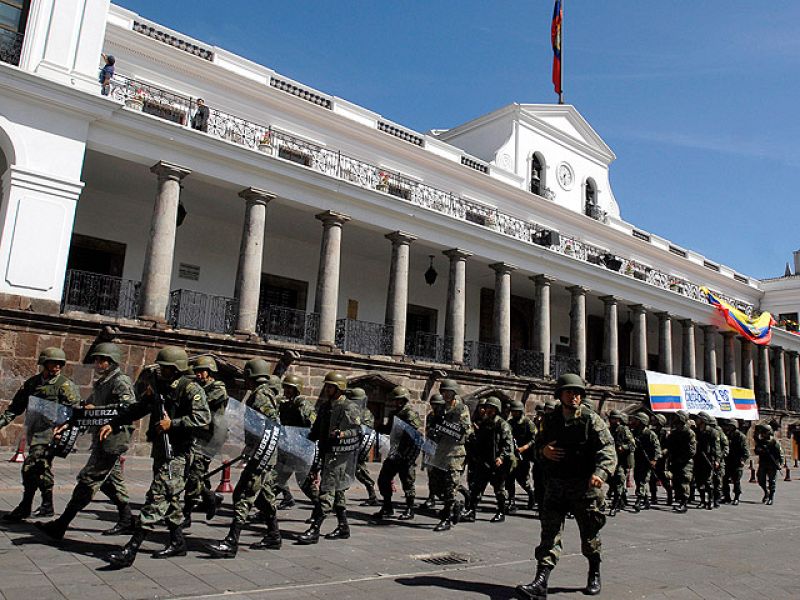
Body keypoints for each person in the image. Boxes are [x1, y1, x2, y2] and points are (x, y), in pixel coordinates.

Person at [101, 346, 210, 568]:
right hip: (162, 450)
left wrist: (174, 424)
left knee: (156, 497)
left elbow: (203, 420)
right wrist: (114, 422)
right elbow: (139, 408)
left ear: (176, 369)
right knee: (171, 500)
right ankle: (178, 542)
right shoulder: (159, 387)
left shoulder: (190, 389)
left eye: (166, 368)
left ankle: (131, 549)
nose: (161, 371)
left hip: (178, 453)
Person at [516, 374, 615, 600]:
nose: (574, 396)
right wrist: (543, 452)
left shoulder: (592, 420)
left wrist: (600, 473)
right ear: (560, 395)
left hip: (585, 487)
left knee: (589, 536)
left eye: (578, 392)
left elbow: (608, 449)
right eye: (569, 392)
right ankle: (541, 582)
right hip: (556, 485)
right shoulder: (550, 421)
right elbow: (537, 446)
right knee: (549, 535)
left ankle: (594, 572)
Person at [36, 343, 135, 540]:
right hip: (102, 438)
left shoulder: (120, 380)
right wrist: (70, 422)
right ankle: (127, 519)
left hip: (113, 439)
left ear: (111, 361)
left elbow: (128, 406)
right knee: (109, 483)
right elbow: (87, 408)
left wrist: (97, 410)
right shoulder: (103, 382)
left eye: (101, 360)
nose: (97, 363)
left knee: (88, 481)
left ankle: (61, 524)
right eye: (97, 360)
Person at [206, 359, 281, 557]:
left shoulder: (261, 396)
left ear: (251, 376)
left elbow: (270, 426)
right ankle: (274, 535)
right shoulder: (262, 393)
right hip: (262, 453)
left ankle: (232, 542)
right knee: (263, 498)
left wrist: (256, 450)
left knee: (243, 495)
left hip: (262, 455)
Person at [1, 347, 80, 522]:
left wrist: (65, 429)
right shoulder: (32, 383)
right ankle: (47, 505)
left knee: (30, 467)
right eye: (54, 363)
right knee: (42, 469)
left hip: (52, 435)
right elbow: (15, 407)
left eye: (60, 363)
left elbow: (76, 412)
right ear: (44, 363)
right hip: (35, 432)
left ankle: (25, 506)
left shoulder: (64, 385)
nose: (57, 366)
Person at [297, 371, 362, 544]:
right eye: (326, 386)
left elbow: (357, 430)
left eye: (330, 386)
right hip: (326, 452)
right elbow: (317, 429)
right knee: (339, 493)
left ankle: (314, 530)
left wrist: (342, 434)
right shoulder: (326, 406)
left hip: (340, 456)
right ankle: (343, 527)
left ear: (339, 388)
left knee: (326, 492)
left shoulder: (349, 407)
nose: (326, 389)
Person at [182, 356, 226, 528]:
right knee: (197, 471)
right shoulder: (198, 387)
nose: (199, 375)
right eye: (197, 372)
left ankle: (186, 514)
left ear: (210, 372)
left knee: (195, 472)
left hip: (211, 436)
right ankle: (210, 498)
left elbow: (200, 405)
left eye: (202, 371)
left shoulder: (218, 389)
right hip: (198, 434)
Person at [427, 378, 473, 532]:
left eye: (448, 392)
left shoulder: (461, 409)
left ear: (454, 393)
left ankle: (446, 518)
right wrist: (433, 432)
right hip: (440, 453)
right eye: (444, 392)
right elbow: (433, 427)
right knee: (435, 485)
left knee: (450, 486)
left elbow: (467, 430)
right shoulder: (439, 410)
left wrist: (454, 430)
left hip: (455, 453)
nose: (446, 394)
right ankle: (456, 503)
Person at [461, 396, 515, 523]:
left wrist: (501, 458)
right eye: (487, 408)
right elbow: (479, 441)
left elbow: (508, 444)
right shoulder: (484, 423)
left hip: (496, 462)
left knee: (499, 490)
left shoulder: (502, 425)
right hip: (483, 461)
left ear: (497, 410)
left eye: (491, 408)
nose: (488, 410)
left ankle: (501, 511)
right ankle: (471, 511)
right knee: (476, 488)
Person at [373, 386, 423, 521]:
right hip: (395, 452)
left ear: (404, 400)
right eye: (396, 400)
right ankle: (387, 506)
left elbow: (416, 434)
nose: (397, 403)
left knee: (407, 481)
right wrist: (379, 427)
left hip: (407, 453)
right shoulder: (393, 414)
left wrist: (410, 455)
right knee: (384, 479)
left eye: (400, 400)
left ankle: (410, 508)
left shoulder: (410, 414)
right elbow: (389, 430)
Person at [275, 373, 317, 509]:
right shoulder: (285, 405)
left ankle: (322, 506)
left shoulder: (303, 405)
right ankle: (284, 499)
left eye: (290, 388)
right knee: (277, 478)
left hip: (300, 450)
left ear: (296, 389)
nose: (286, 390)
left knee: (304, 483)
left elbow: (312, 424)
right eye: (285, 387)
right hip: (287, 448)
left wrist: (301, 410)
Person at [506, 398, 537, 512]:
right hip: (512, 454)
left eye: (516, 411)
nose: (514, 413)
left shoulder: (528, 423)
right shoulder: (510, 423)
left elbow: (534, 439)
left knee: (523, 479)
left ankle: (531, 495)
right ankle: (511, 501)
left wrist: (524, 447)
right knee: (509, 478)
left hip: (524, 456)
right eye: (513, 411)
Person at [349, 387, 379, 506]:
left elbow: (367, 429)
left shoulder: (366, 413)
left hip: (359, 446)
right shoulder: (350, 410)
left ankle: (372, 496)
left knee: (360, 471)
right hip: (348, 444)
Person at [628, 412, 660, 512]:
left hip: (647, 461)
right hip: (638, 460)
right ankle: (646, 500)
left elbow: (657, 448)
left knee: (642, 480)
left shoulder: (650, 434)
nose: (634, 422)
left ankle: (639, 500)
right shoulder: (634, 432)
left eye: (636, 420)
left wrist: (654, 459)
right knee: (638, 479)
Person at [665, 410, 696, 513]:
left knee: (684, 481)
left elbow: (692, 450)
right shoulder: (675, 432)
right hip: (675, 460)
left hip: (685, 461)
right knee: (677, 482)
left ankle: (684, 503)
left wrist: (682, 458)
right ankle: (680, 500)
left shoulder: (689, 433)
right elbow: (669, 445)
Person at [606, 410, 635, 517]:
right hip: (611, 460)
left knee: (618, 481)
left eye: (613, 418)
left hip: (621, 461)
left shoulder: (624, 430)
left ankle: (615, 505)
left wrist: (623, 447)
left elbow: (632, 445)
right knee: (611, 481)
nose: (611, 420)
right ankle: (621, 499)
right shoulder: (609, 430)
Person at [421, 393, 446, 510]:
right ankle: (431, 498)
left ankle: (447, 498)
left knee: (444, 477)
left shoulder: (446, 417)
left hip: (442, 451)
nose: (435, 407)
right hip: (431, 448)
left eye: (437, 405)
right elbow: (428, 432)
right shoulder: (431, 416)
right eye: (433, 405)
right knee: (431, 476)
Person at [692, 412, 720, 510]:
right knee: (699, 481)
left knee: (708, 481)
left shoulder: (712, 432)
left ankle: (711, 500)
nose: (696, 420)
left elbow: (716, 447)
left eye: (698, 419)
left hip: (708, 458)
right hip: (698, 458)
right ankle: (702, 500)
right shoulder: (696, 431)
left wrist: (717, 460)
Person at [719, 419, 748, 505]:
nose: (727, 427)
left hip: (737, 461)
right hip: (728, 461)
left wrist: (743, 459)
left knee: (736, 481)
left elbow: (745, 451)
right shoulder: (726, 435)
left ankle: (736, 497)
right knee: (724, 480)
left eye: (729, 425)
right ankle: (727, 497)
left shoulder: (740, 436)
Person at [753, 422, 784, 505]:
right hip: (763, 463)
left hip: (772, 464)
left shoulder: (774, 442)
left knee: (772, 481)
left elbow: (780, 454)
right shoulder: (761, 442)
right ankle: (766, 492)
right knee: (760, 479)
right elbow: (756, 450)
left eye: (764, 432)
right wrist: (760, 450)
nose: (763, 434)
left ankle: (771, 497)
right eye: (762, 432)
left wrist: (780, 463)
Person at [648, 413, 672, 506]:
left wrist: (660, 454)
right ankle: (653, 497)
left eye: (655, 420)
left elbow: (668, 447)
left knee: (664, 479)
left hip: (661, 460)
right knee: (652, 479)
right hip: (652, 458)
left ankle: (669, 497)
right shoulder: (652, 432)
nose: (653, 421)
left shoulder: (665, 434)